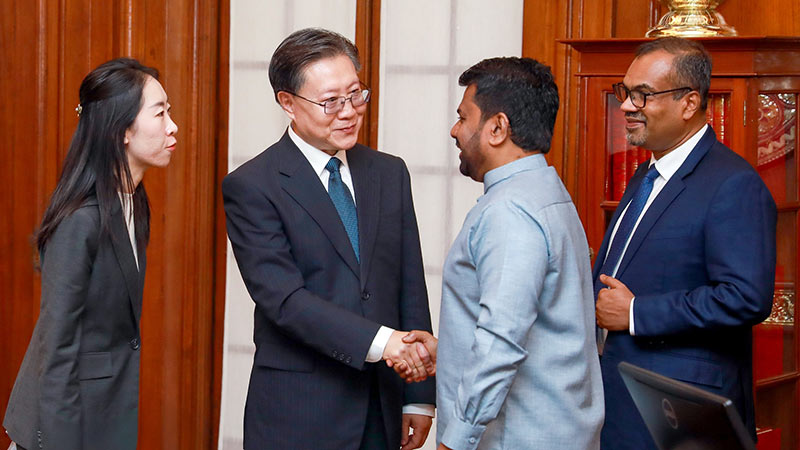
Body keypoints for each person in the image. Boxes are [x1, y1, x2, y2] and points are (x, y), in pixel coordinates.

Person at [221, 28, 436, 450]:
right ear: (288, 103)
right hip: (299, 411)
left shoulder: (388, 172)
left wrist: (419, 396)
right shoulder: (252, 185)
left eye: (356, 94)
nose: (349, 112)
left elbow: (409, 282)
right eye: (331, 101)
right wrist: (384, 342)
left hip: (381, 403)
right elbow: (284, 300)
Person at [594, 37, 776, 449]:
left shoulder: (733, 184)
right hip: (619, 399)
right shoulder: (645, 176)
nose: (626, 106)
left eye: (642, 95)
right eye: (626, 93)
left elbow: (745, 297)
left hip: (680, 414)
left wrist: (638, 312)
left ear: (689, 103)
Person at [2, 58, 178, 450]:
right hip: (61, 426)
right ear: (121, 130)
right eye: (161, 112)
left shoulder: (135, 203)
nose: (173, 126)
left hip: (103, 415)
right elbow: (56, 349)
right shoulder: (80, 221)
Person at [433, 57, 604, 450]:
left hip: (519, 437)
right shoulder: (547, 192)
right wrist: (449, 349)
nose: (455, 130)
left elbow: (501, 341)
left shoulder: (509, 210)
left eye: (464, 117)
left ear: (497, 128)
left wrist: (455, 441)